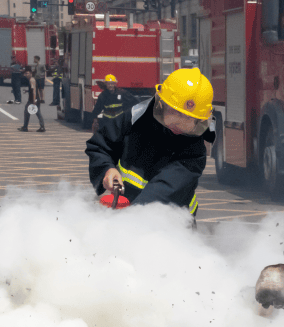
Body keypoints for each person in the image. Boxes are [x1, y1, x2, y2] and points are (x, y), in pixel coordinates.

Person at [85, 67, 216, 216]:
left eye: (189, 120)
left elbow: (162, 190)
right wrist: (107, 169)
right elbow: (100, 145)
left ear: (201, 120)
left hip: (174, 226)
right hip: (128, 216)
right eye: (176, 114)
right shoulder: (135, 118)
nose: (179, 124)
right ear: (161, 104)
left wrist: (126, 220)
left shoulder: (195, 152)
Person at [17, 68, 45, 133]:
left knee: (37, 113)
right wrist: (27, 90)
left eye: (27, 73)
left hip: (33, 99)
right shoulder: (31, 80)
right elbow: (33, 89)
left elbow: (34, 90)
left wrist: (34, 100)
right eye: (25, 73)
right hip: (32, 99)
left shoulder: (32, 80)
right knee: (28, 112)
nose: (26, 75)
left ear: (31, 74)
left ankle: (40, 127)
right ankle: (25, 127)